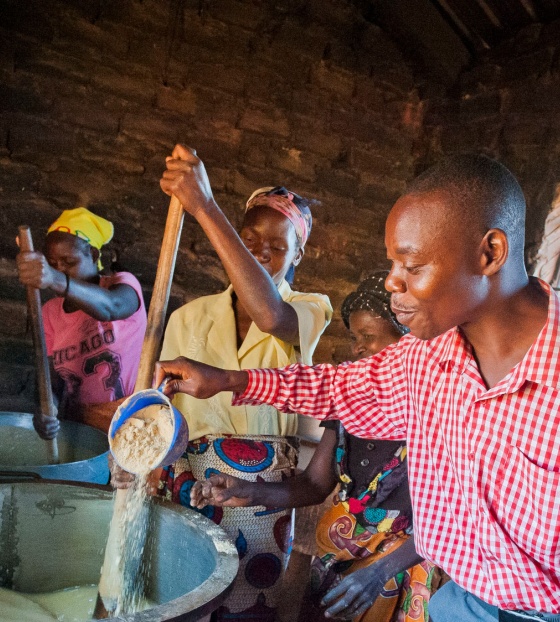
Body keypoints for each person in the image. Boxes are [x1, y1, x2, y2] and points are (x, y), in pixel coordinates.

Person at [154, 153, 560, 622]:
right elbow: (341, 388)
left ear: (489, 253)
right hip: (463, 604)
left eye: (411, 264)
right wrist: (228, 380)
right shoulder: (431, 355)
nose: (392, 281)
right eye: (393, 262)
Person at [190, 271, 441, 622]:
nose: (357, 348)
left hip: (403, 570)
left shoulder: (436, 415)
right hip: (341, 564)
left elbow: (452, 519)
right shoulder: (350, 404)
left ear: (407, 344)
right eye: (355, 337)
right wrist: (251, 491)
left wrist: (378, 573)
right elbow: (314, 485)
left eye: (368, 336)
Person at [157, 144, 333, 620]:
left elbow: (269, 313)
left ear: (300, 252)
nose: (260, 252)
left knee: (247, 605)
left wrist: (204, 207)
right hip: (192, 483)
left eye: (277, 247)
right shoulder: (187, 317)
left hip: (264, 495)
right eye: (250, 239)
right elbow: (163, 407)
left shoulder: (310, 309)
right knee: (185, 597)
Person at [16, 207, 147, 436]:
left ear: (94, 256)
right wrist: (47, 410)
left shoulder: (123, 286)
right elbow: (53, 383)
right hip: (80, 430)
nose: (60, 269)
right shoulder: (50, 313)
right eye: (53, 263)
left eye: (68, 261)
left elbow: (111, 307)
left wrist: (54, 278)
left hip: (131, 425)